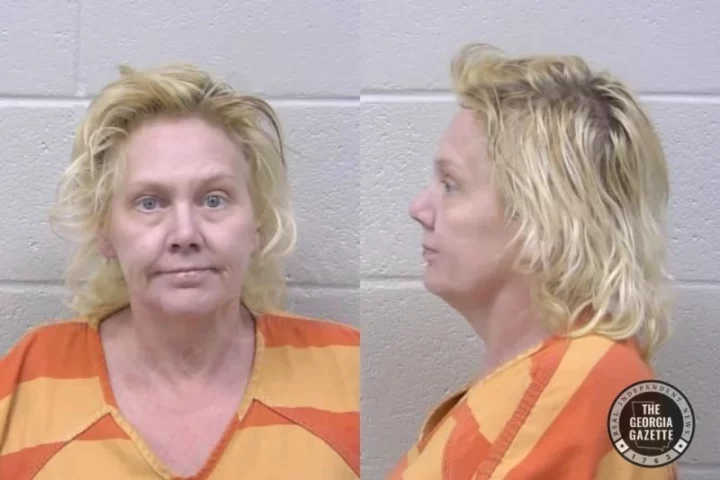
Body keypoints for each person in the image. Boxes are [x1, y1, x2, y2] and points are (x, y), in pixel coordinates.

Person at [0, 64, 359, 479]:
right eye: (149, 202)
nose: (185, 234)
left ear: (257, 224)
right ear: (105, 231)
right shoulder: (26, 381)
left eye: (214, 199)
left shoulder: (347, 369)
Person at [390, 43, 676, 479]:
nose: (419, 208)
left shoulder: (584, 388)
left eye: (451, 185)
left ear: (545, 221)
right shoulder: (543, 384)